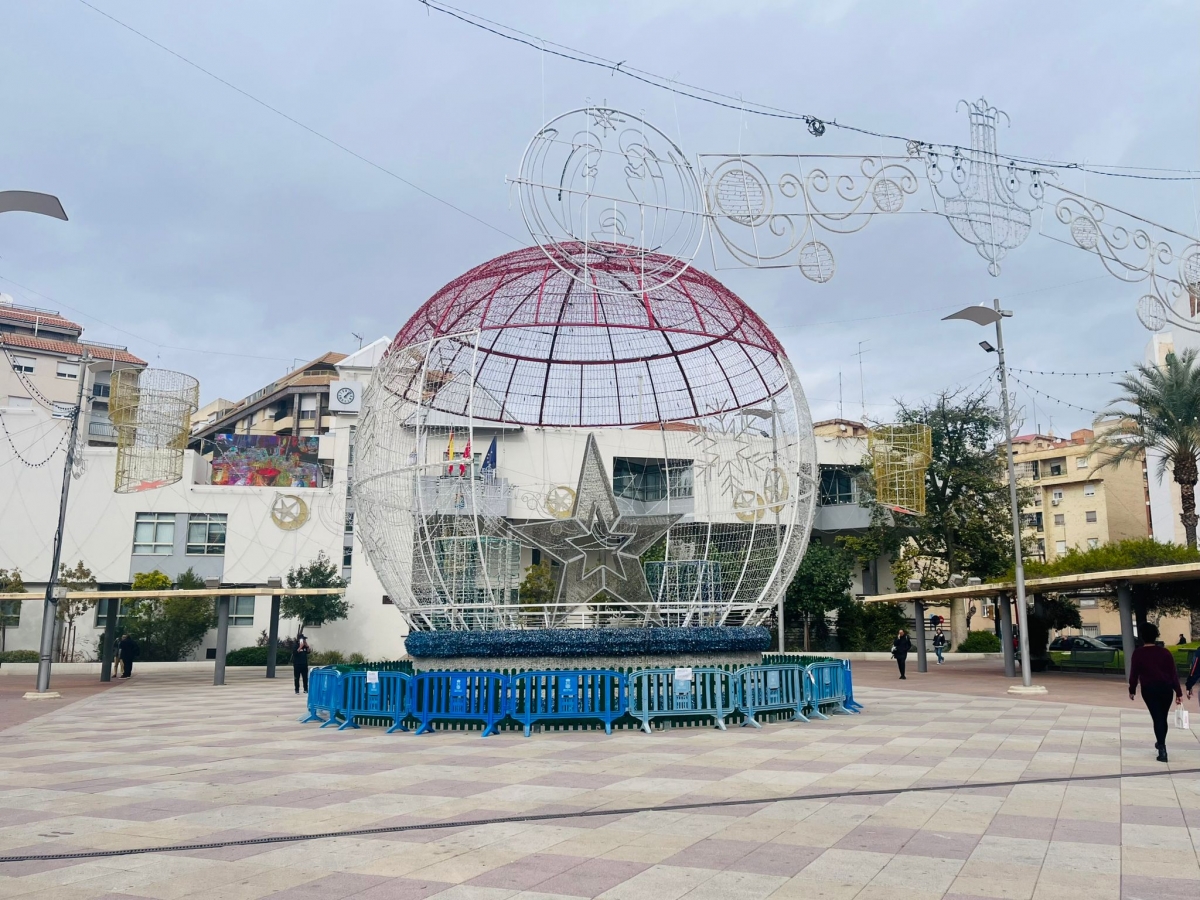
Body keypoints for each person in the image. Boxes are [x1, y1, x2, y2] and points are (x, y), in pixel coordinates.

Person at [1128, 623, 1182, 762]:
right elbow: (1173, 673)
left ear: (1142, 637)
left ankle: (1162, 748)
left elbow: (1134, 673)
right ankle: (1161, 743)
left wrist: (1132, 689)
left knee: (1157, 717)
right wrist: (1178, 692)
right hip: (1166, 689)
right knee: (1162, 717)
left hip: (1149, 689)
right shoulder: (1165, 652)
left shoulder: (1138, 653)